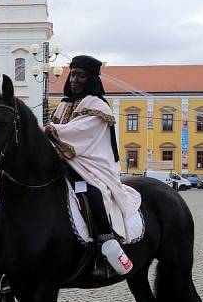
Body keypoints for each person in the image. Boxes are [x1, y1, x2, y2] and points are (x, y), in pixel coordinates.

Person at [45, 55, 141, 277]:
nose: (74, 80)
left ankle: (105, 250)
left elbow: (81, 132)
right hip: (62, 165)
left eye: (81, 76)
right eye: (73, 74)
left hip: (90, 168)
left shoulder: (98, 106)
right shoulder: (63, 105)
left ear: (91, 79)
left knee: (93, 195)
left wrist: (50, 130)